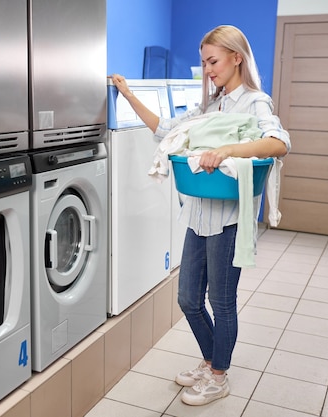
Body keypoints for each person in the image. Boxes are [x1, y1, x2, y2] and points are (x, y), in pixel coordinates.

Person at [111, 25, 291, 406]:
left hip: (228, 218)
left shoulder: (255, 101)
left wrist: (228, 149)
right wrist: (127, 95)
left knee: (221, 301)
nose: (207, 69)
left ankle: (218, 375)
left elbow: (279, 143)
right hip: (199, 213)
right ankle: (211, 362)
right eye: (204, 62)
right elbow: (166, 130)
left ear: (236, 57)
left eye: (213, 61)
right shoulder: (212, 106)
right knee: (189, 298)